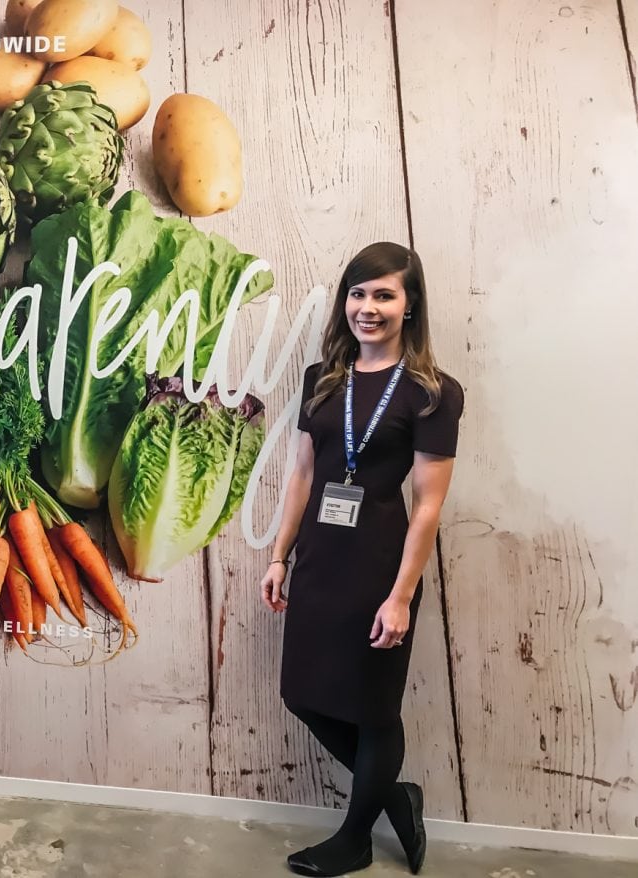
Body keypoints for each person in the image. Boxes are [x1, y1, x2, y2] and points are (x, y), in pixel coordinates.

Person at [260, 242, 464, 877]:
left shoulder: (434, 394)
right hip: (320, 560)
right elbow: (300, 473)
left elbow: (428, 505)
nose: (367, 308)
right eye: (358, 293)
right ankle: (394, 796)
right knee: (302, 693)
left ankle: (354, 835)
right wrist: (278, 556)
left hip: (380, 567)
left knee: (374, 708)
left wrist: (401, 594)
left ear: (410, 306)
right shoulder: (322, 378)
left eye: (384, 295)